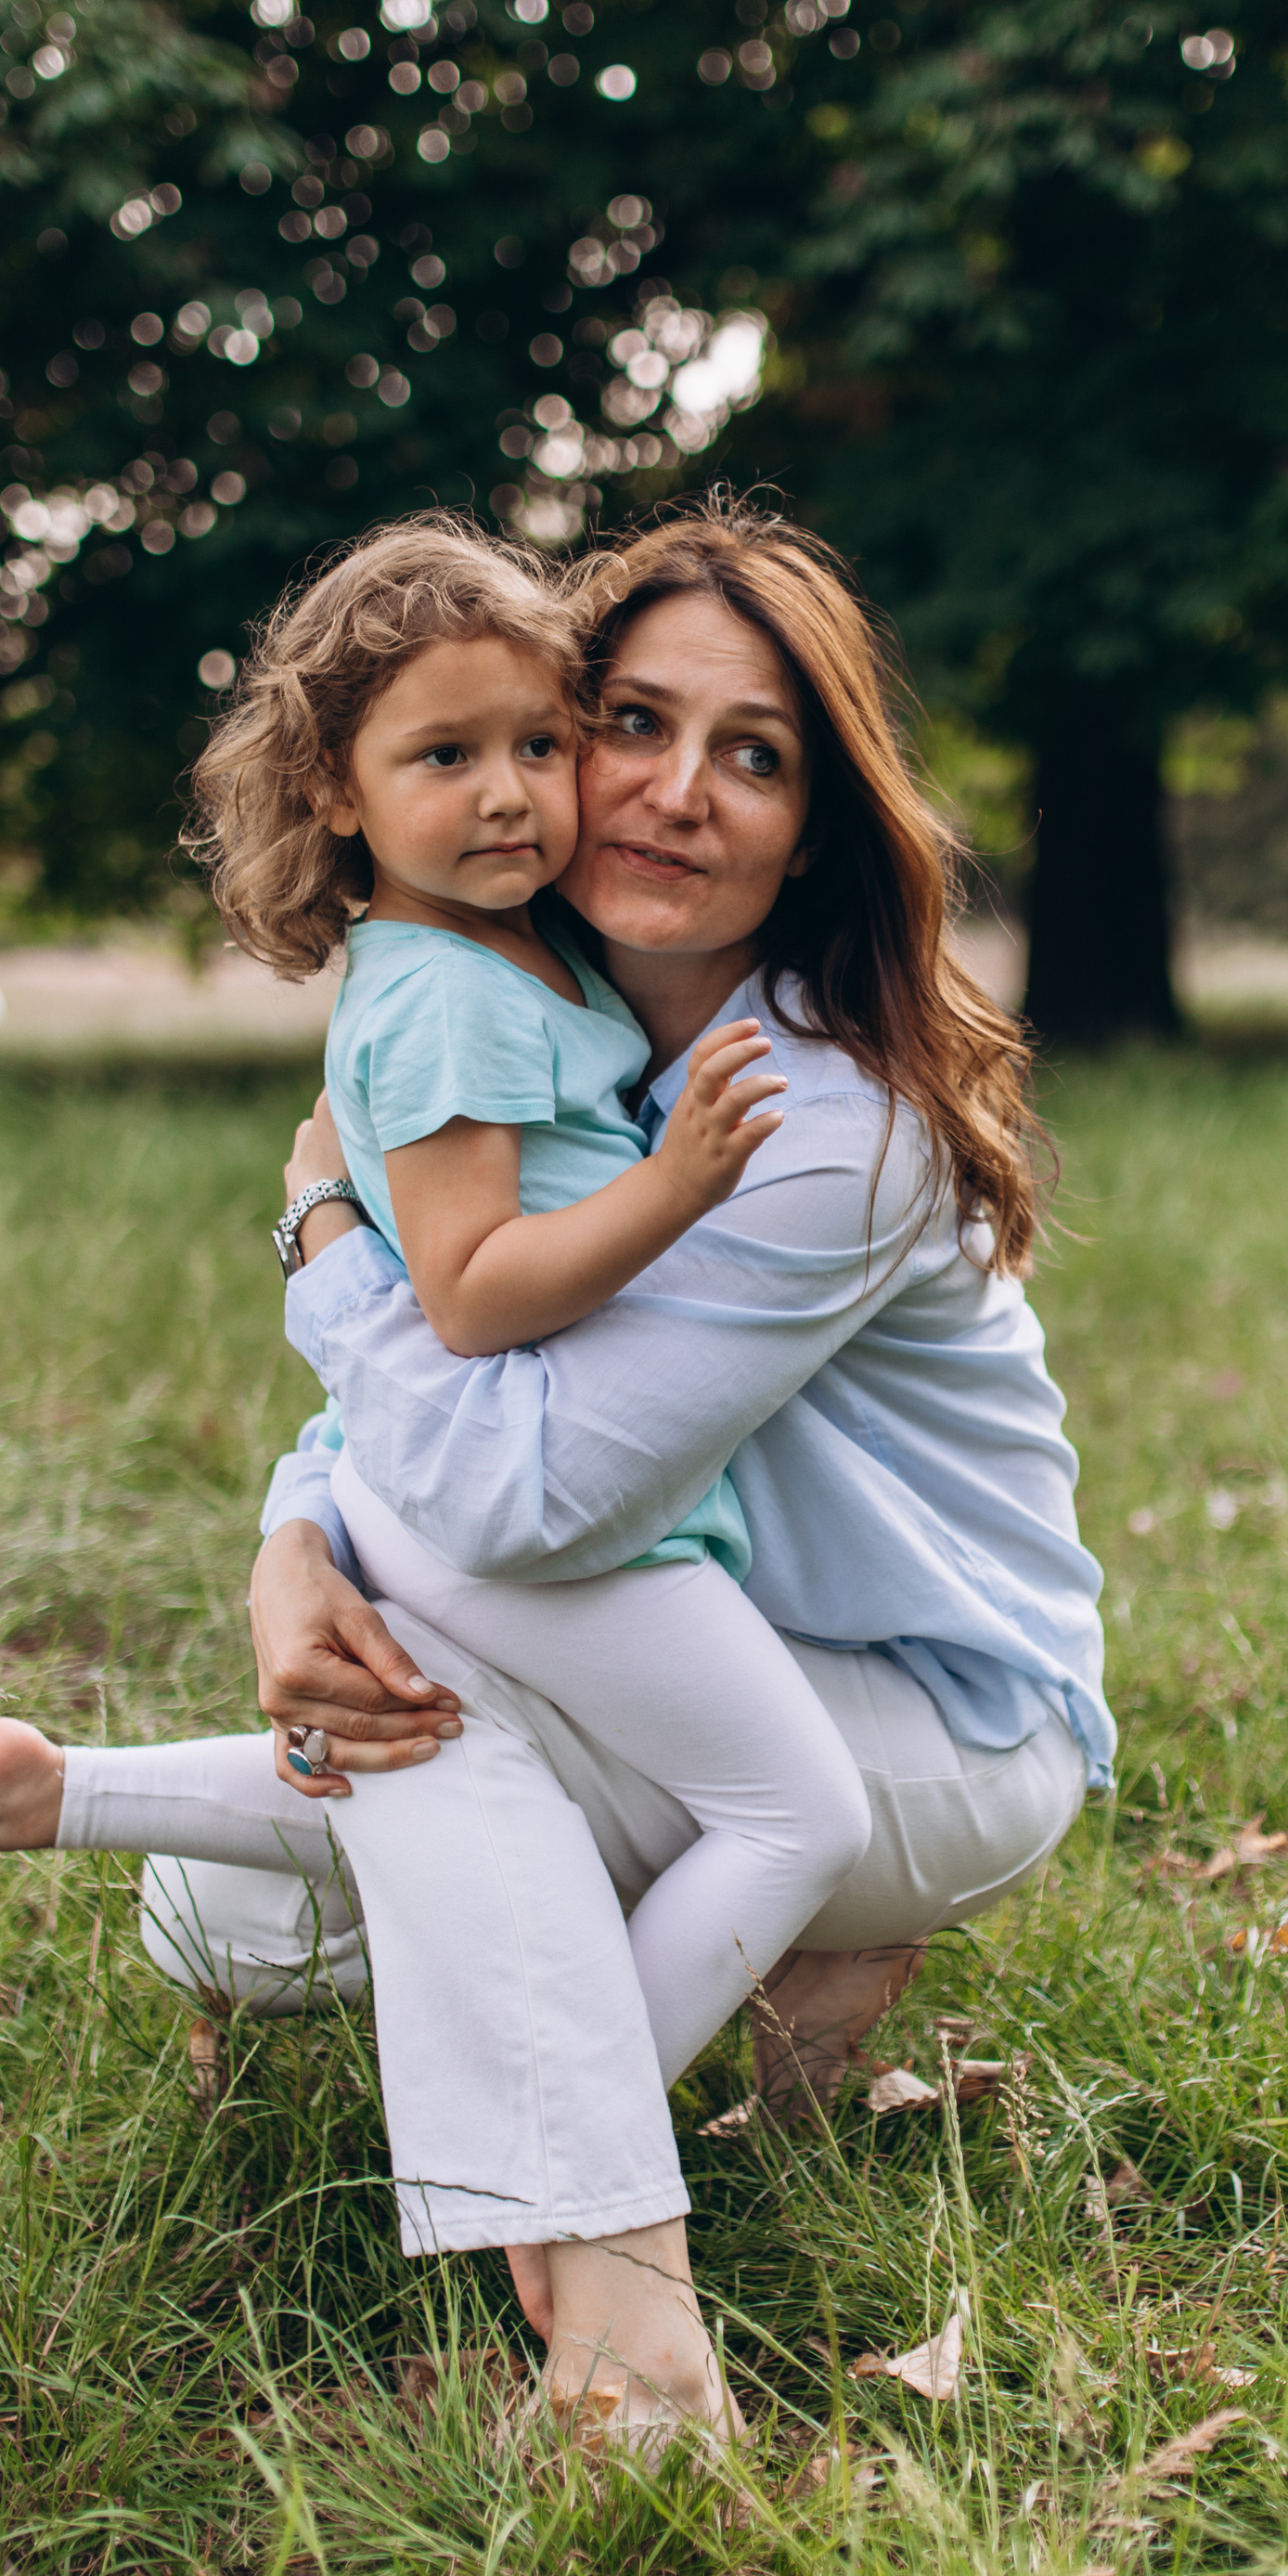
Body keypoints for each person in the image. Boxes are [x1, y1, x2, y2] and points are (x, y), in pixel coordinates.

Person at [0, 507, 1111, 2448]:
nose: (667, 790)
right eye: (629, 720)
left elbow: (515, 1496)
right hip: (684, 1618)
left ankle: (604, 2273)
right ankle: (95, 1809)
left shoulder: (806, 1122)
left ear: (822, 822)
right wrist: (291, 1540)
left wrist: (321, 1251)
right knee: (231, 1922)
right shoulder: (533, 1017)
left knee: (445, 1711)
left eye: (750, 753)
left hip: (934, 1708)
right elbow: (480, 1375)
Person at [184, 510, 872, 2105]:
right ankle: (559, 2133)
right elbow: (472, 1298)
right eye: (444, 757)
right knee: (797, 1816)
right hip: (545, 1515)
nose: (509, 792)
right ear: (335, 795)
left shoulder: (515, 950)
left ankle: (68, 1791)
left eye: (541, 742)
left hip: (520, 1486)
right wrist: (677, 1183)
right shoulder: (444, 996)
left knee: (476, 1785)